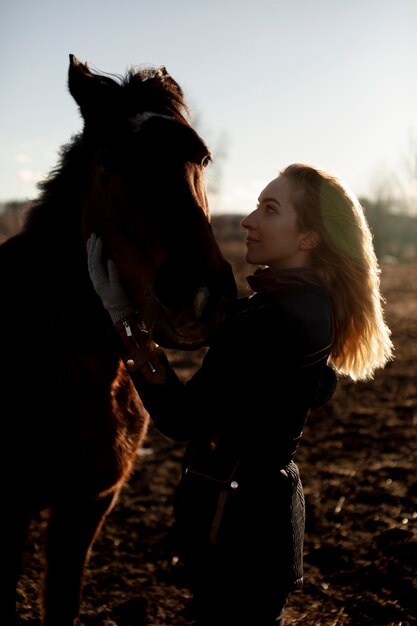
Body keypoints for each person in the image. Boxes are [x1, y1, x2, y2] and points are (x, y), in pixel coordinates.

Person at [87, 163, 394, 626]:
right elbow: (305, 384)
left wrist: (122, 319)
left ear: (309, 238)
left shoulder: (277, 317)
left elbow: (180, 419)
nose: (249, 220)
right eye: (256, 205)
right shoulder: (299, 304)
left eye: (269, 209)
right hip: (255, 528)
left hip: (237, 538)